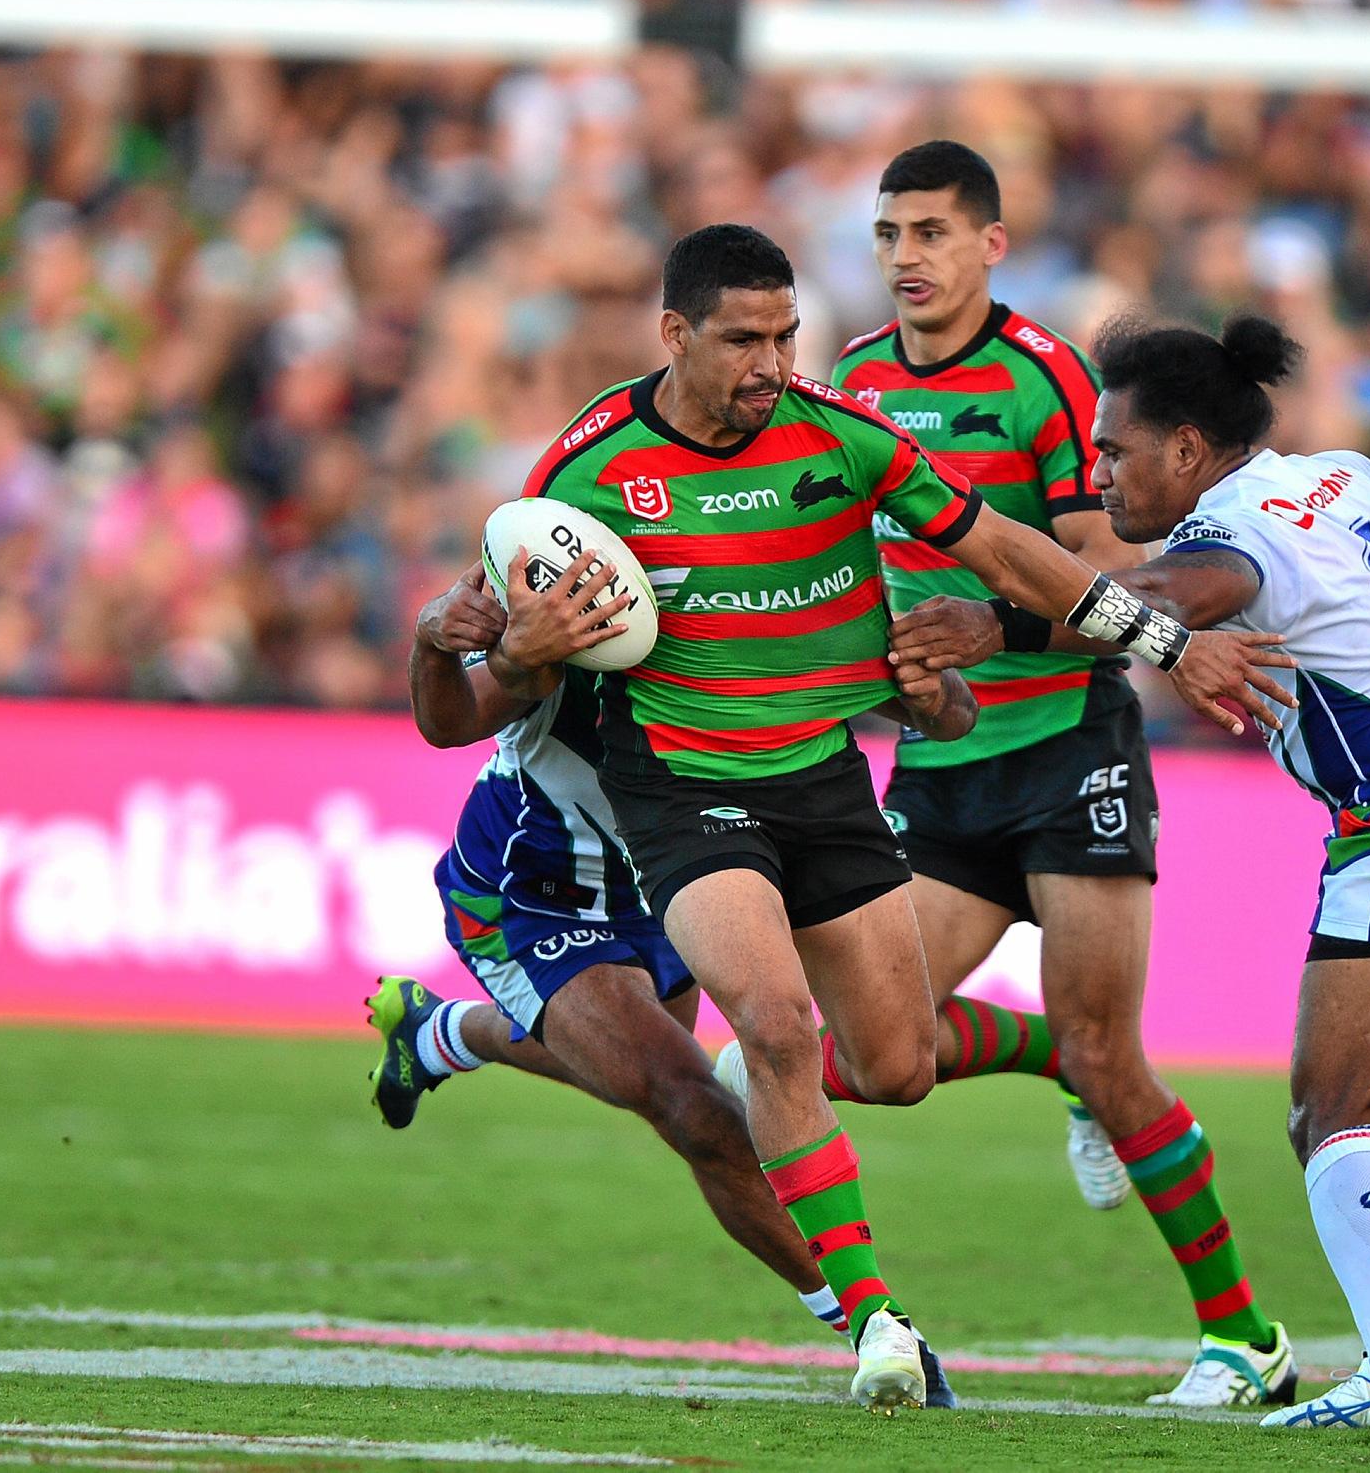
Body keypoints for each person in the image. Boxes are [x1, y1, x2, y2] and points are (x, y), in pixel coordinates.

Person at [503, 223, 1295, 1411]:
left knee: (897, 1062)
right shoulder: (586, 475)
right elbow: (506, 665)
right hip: (684, 784)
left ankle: (1069, 1086)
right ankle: (876, 1323)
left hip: (858, 776)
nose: (771, 363)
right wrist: (506, 649)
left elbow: (1008, 550)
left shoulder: (852, 431)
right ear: (673, 334)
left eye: (784, 336)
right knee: (773, 1025)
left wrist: (1162, 644)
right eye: (742, 340)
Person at [987, 311, 1370, 1432]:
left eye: (1115, 451)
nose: (1100, 474)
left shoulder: (1227, 529)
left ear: (1186, 448)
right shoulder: (1342, 473)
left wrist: (993, 627)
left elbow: (1176, 599)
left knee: (1336, 1109)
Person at [804, 139, 1296, 1409]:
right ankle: (1048, 1062)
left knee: (1114, 1053)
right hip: (939, 771)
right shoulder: (851, 385)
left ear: (989, 246)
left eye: (932, 233)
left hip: (1069, 752)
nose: (908, 257)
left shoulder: (1046, 382)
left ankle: (1243, 1336)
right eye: (890, 234)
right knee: (857, 1057)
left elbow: (1105, 580)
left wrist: (991, 625)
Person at [365, 545, 967, 1404]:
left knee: (649, 1068)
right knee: (691, 1103)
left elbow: (952, 716)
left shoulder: (769, 612)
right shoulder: (571, 628)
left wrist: (930, 683)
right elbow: (450, 716)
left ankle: (442, 1031)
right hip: (536, 896)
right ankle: (872, 1321)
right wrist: (432, 641)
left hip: (682, 883)